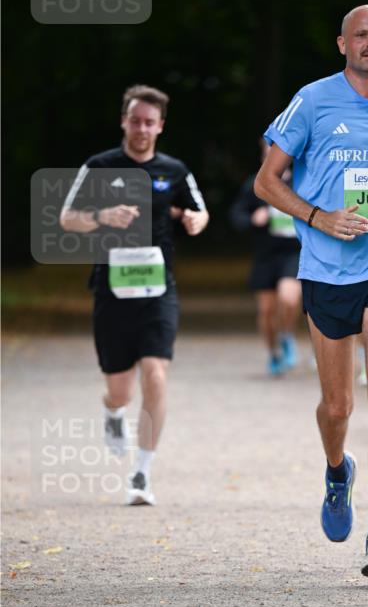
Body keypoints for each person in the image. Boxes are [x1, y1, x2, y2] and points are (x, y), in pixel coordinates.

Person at [255, 4, 368, 578]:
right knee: (339, 406)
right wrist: (318, 216)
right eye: (362, 35)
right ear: (342, 44)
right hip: (328, 270)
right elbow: (267, 181)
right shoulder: (312, 101)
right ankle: (338, 471)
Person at [60, 84, 209, 505]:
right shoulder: (99, 166)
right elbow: (68, 219)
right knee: (121, 390)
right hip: (112, 288)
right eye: (135, 120)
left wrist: (196, 221)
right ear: (124, 121)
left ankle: (142, 472)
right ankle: (112, 411)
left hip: (158, 289)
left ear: (160, 126)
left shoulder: (174, 170)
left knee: (156, 374)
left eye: (150, 122)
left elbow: (198, 209)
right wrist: (101, 216)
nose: (142, 128)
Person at [229, 140, 302, 375]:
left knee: (289, 298)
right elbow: (236, 215)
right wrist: (253, 218)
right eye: (268, 154)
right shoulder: (256, 184)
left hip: (294, 252)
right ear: (262, 156)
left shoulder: (302, 182)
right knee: (267, 311)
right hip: (265, 255)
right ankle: (273, 353)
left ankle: (287, 335)